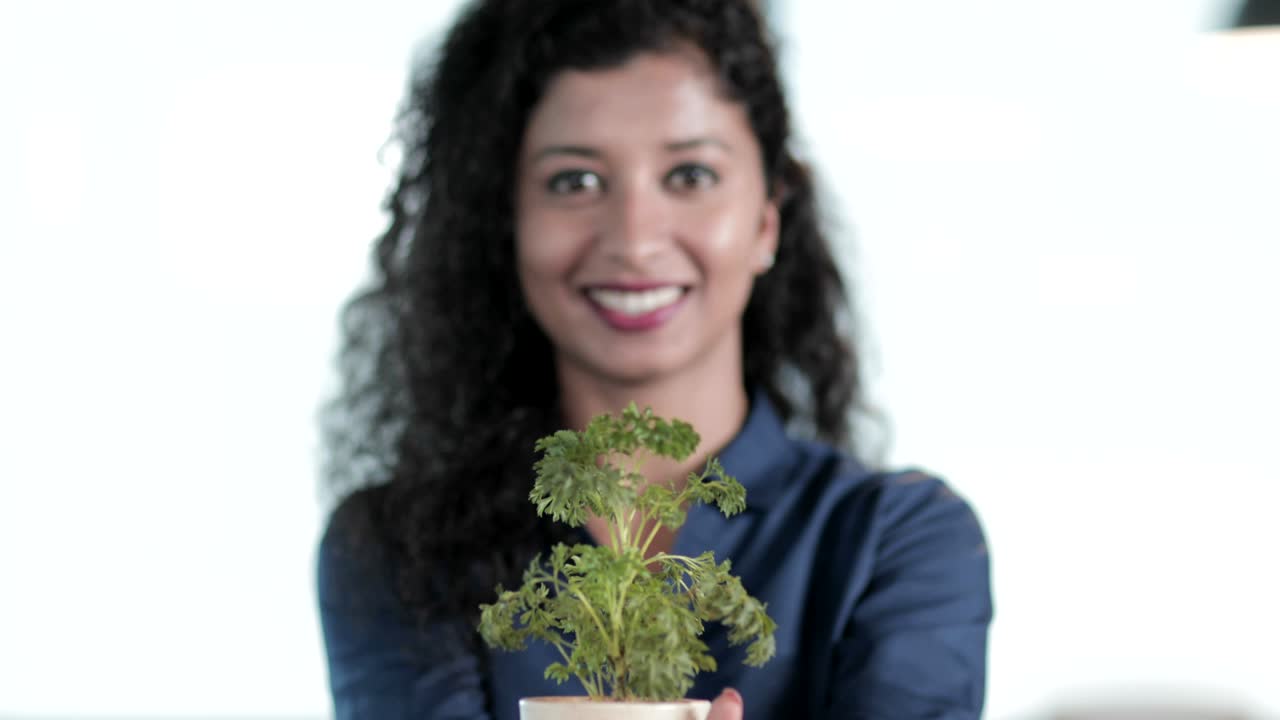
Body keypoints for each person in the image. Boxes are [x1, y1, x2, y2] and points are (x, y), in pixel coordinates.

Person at [317, 1, 993, 718]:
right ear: (505, 222)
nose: (635, 240)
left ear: (768, 218)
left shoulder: (895, 542)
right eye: (574, 181)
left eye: (690, 176)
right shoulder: (400, 549)